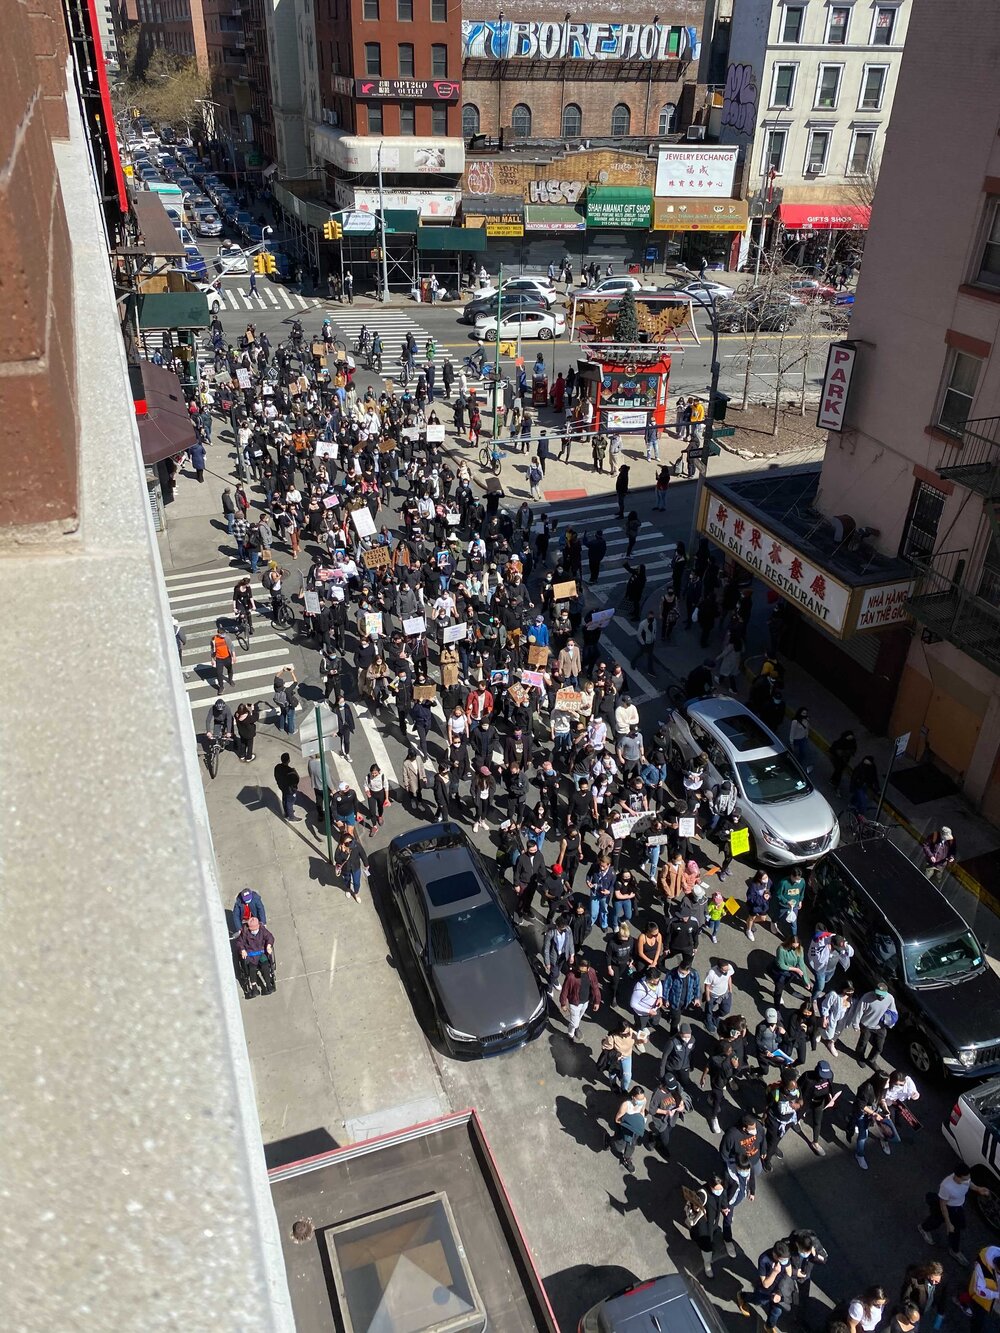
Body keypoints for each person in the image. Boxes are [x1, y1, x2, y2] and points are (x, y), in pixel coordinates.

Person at [918, 1166, 993, 1263]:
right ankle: (923, 1228)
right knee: (936, 1221)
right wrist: (949, 1223)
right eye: (965, 1179)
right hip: (947, 1207)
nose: (967, 1180)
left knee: (956, 1229)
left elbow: (969, 1183)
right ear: (957, 1177)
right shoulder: (947, 1186)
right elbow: (943, 1205)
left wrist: (978, 1188)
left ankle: (954, 1250)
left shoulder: (965, 1179)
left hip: (957, 1207)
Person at [559, 957, 602, 1041]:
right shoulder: (571, 976)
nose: (580, 973)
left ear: (588, 968)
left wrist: (597, 1001)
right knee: (574, 1023)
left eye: (583, 971)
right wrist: (563, 1003)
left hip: (585, 1001)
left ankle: (576, 1027)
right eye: (579, 970)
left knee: (579, 1017)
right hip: (574, 1003)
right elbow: (565, 990)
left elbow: (595, 987)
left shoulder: (591, 972)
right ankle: (570, 1035)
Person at [609, 1086, 647, 1174]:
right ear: (633, 1097)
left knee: (631, 1144)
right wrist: (626, 1124)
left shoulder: (643, 1100)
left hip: (635, 1128)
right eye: (639, 1099)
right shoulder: (626, 1105)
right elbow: (617, 1119)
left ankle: (627, 1159)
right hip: (625, 1126)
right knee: (619, 1144)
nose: (641, 1101)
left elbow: (642, 1111)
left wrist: (641, 1121)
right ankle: (609, 1140)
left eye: (642, 1099)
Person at [235, 916, 275, 996]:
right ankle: (254, 988)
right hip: (251, 954)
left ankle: (268, 984)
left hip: (261, 952)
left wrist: (269, 945)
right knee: (252, 969)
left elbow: (270, 937)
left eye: (255, 929)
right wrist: (242, 950)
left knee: (265, 966)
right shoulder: (245, 931)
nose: (254, 931)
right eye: (252, 930)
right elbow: (239, 942)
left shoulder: (262, 930)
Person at [335, 833, 364, 901]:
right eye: (346, 843)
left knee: (356, 882)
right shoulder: (340, 849)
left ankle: (356, 893)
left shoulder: (356, 845)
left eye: (351, 842)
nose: (349, 844)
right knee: (347, 880)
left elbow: (362, 853)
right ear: (342, 843)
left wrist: (366, 864)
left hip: (356, 867)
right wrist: (343, 852)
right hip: (346, 869)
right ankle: (348, 889)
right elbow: (337, 859)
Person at [273, 751, 301, 822]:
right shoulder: (290, 771)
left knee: (285, 798)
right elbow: (296, 780)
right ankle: (291, 816)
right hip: (290, 789)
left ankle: (287, 812)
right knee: (290, 801)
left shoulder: (277, 767)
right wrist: (295, 771)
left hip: (282, 787)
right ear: (288, 760)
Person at [210, 629, 235, 693]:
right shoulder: (214, 639)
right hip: (219, 659)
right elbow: (212, 650)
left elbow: (231, 647)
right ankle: (221, 687)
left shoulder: (226, 638)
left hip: (227, 658)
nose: (223, 635)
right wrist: (212, 659)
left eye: (224, 633)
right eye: (222, 634)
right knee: (219, 674)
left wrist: (234, 656)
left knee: (230, 669)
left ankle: (230, 680)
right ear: (218, 633)